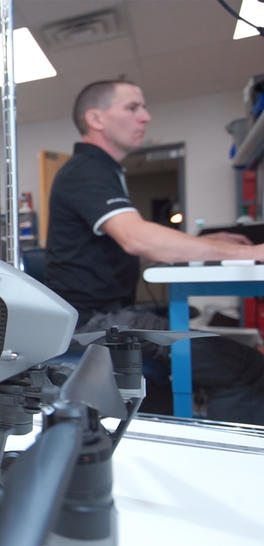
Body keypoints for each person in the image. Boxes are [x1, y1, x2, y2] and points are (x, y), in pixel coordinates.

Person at [45, 79, 264, 424]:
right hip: (92, 323)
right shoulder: (87, 170)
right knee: (245, 367)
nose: (145, 117)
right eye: (133, 107)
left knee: (232, 354)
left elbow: (128, 244)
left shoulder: (104, 171)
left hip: (107, 315)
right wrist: (247, 253)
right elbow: (136, 238)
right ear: (96, 119)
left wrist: (209, 242)